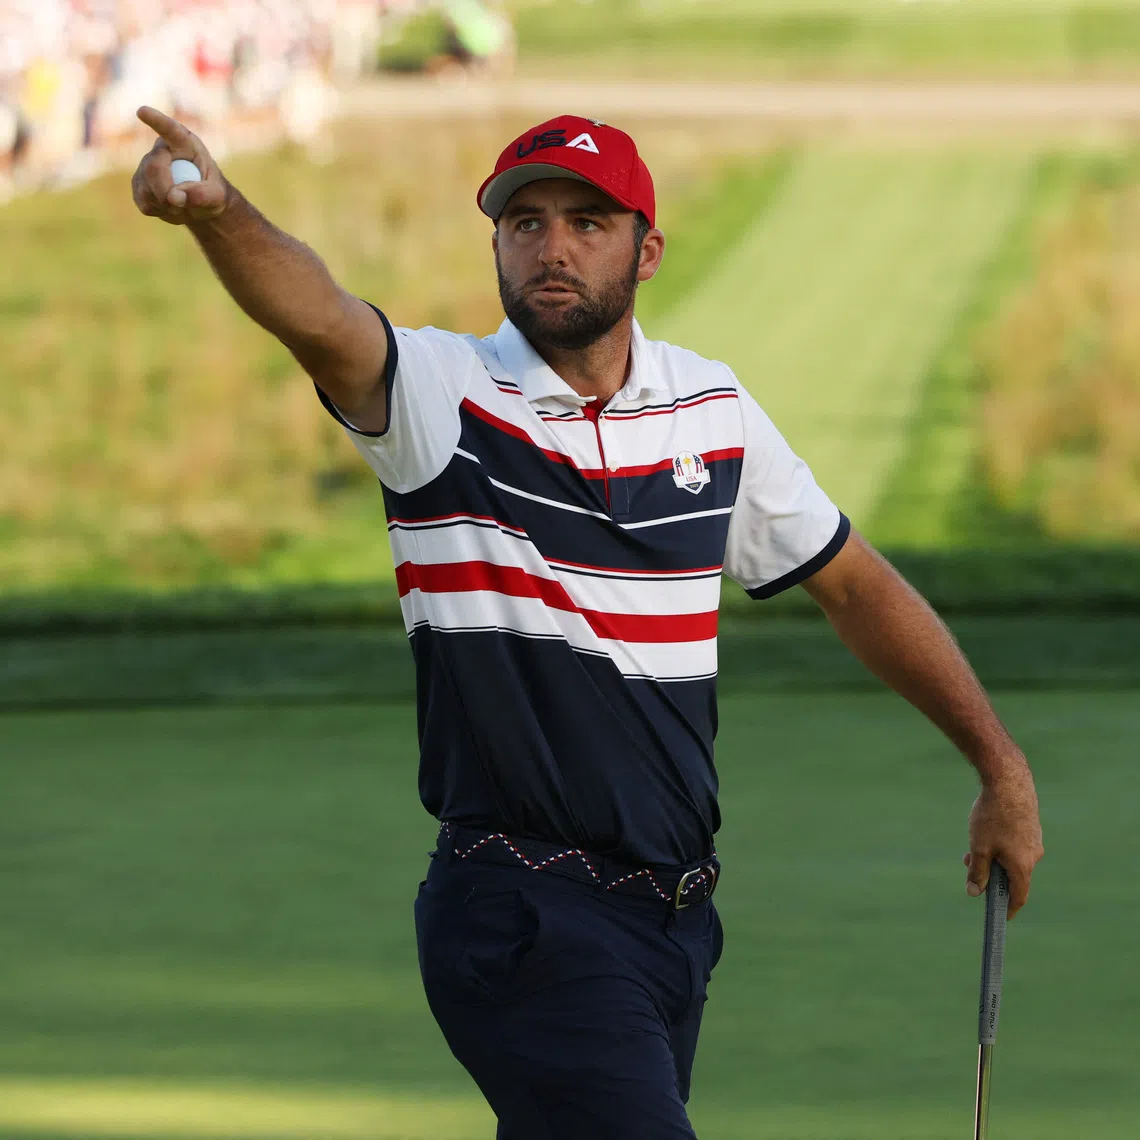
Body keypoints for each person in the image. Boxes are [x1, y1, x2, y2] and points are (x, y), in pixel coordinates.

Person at [129, 106, 1045, 1139]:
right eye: (525, 223)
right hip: (522, 912)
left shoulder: (711, 409)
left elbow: (856, 587)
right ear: (496, 248)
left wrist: (998, 765)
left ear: (647, 249)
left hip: (676, 924)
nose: (552, 246)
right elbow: (322, 317)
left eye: (587, 220)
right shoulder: (444, 399)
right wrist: (216, 210)